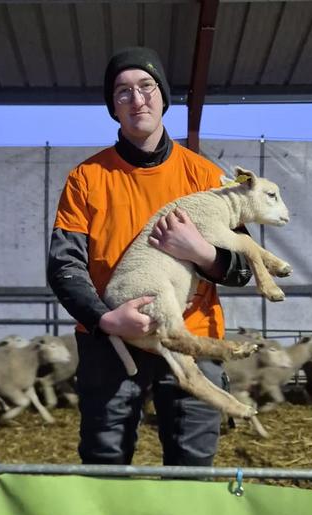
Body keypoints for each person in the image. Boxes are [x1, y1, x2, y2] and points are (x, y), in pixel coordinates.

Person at [47, 46, 252, 466]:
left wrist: (203, 252)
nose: (137, 99)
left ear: (162, 98)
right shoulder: (86, 179)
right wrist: (105, 319)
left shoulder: (204, 176)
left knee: (192, 462)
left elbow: (244, 268)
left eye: (146, 87)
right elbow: (64, 265)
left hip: (191, 332)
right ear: (113, 108)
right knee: (104, 459)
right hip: (112, 337)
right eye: (123, 92)